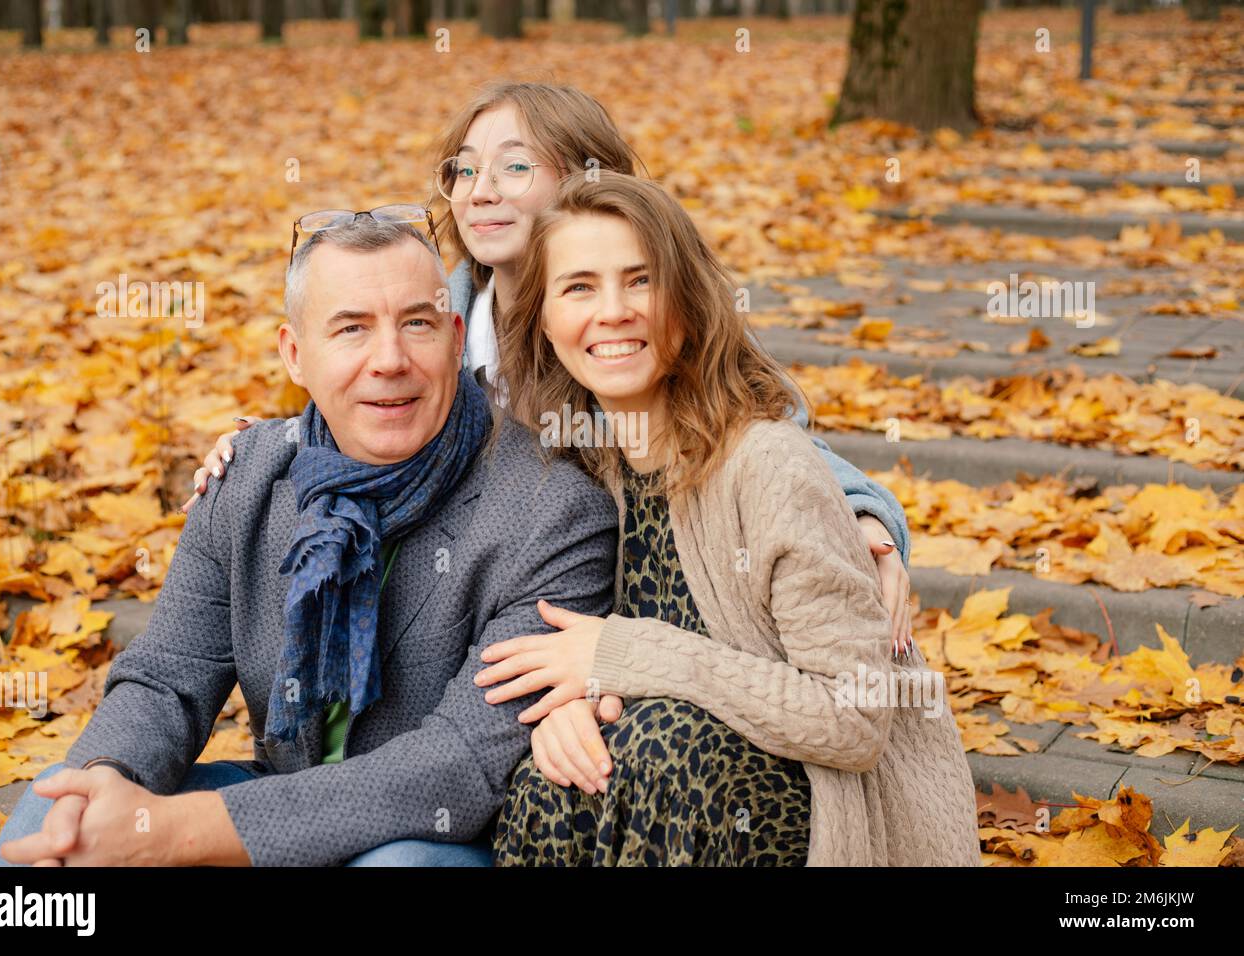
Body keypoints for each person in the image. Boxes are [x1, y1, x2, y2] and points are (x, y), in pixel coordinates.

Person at [182, 80, 917, 661]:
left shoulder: (630, 324)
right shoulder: (430, 314)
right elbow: (359, 405)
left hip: (625, 615)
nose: (479, 189)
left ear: (588, 182)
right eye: (462, 170)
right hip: (462, 628)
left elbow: (760, 433)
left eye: (514, 166)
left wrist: (864, 516)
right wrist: (270, 447)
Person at [0, 214, 617, 867]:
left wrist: (174, 833)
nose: (390, 360)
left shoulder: (552, 513)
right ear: (294, 354)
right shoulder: (249, 476)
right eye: (351, 329)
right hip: (280, 800)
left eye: (417, 323)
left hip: (439, 838)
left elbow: (453, 768)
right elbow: (165, 680)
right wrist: (105, 779)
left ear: (456, 339)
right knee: (54, 810)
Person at [477, 172, 981, 866]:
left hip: (809, 799)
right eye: (579, 287)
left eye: (641, 281)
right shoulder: (567, 465)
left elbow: (856, 720)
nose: (614, 311)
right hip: (657, 777)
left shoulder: (768, 464)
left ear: (687, 305)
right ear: (543, 318)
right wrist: (565, 704)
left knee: (667, 748)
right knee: (553, 779)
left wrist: (631, 655)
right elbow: (569, 651)